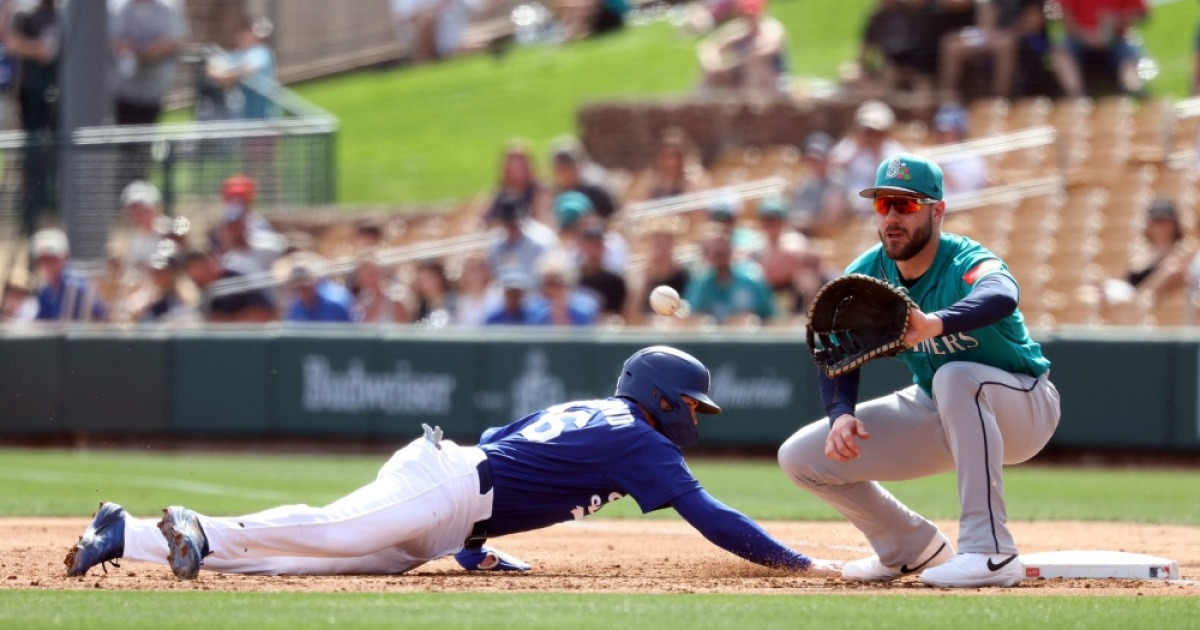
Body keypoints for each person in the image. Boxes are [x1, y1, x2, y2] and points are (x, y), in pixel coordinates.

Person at [64, 346, 840, 580]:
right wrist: (794, 562)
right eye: (691, 405)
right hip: (445, 484)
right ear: (662, 398)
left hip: (451, 504)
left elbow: (507, 439)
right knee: (330, 534)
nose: (693, 419)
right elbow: (710, 513)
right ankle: (197, 521)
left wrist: (469, 549)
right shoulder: (637, 436)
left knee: (300, 567)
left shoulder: (603, 416)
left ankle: (123, 534)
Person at [777, 153, 1060, 588]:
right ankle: (909, 548)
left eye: (906, 205)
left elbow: (1002, 294)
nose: (892, 215)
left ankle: (991, 551)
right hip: (943, 410)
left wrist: (937, 322)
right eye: (883, 204)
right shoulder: (869, 272)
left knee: (956, 376)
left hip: (1024, 404)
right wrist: (841, 413)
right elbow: (836, 349)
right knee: (801, 458)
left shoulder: (964, 258)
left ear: (938, 211)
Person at [111, 0, 190, 183]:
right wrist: (130, 49)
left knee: (144, 146)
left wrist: (144, 53)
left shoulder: (168, 8)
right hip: (124, 92)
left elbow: (175, 41)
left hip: (153, 92)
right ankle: (124, 193)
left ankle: (140, 189)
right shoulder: (120, 8)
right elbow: (113, 40)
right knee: (125, 147)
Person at [7, 0, 57, 236]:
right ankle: (30, 223)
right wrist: (38, 48)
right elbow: (12, 42)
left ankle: (52, 218)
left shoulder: (64, 15)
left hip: (59, 101)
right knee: (32, 162)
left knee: (55, 161)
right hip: (30, 98)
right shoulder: (25, 14)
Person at [1050, 0, 1148, 98]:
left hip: (1116, 39)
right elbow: (1064, 15)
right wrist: (1086, 36)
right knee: (1062, 52)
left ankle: (1132, 87)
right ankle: (1075, 92)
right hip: (1079, 38)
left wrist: (1118, 21)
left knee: (1129, 51)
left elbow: (1140, 14)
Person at [684, 224, 775, 325]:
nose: (719, 257)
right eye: (714, 253)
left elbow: (770, 318)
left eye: (723, 251)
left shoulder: (750, 280)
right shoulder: (701, 284)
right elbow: (692, 317)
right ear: (706, 255)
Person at [830, 100, 907, 216]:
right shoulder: (849, 147)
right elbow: (829, 169)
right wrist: (856, 152)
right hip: (848, 207)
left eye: (875, 131)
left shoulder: (896, 153)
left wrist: (877, 157)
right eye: (867, 131)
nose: (871, 135)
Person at [696, 0, 788, 94]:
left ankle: (753, 105)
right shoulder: (739, 29)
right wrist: (714, 64)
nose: (749, 18)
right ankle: (697, 102)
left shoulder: (772, 29)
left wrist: (729, 64)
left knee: (755, 70)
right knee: (711, 72)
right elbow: (709, 46)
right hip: (740, 75)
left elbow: (759, 54)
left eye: (752, 15)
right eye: (746, 15)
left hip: (774, 80)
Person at [31, 228, 105, 322]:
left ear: (65, 257)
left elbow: (98, 316)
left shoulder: (77, 285)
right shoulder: (45, 292)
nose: (48, 265)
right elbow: (41, 321)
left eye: (52, 259)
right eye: (43, 260)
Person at [788, 132, 851, 237]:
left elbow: (830, 221)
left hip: (820, 237)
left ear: (828, 158)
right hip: (797, 232)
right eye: (811, 159)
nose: (814, 163)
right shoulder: (805, 180)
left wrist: (802, 223)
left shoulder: (837, 183)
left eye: (818, 158)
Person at [929, 103, 987, 199]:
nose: (942, 137)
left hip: (963, 210)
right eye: (940, 133)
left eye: (947, 133)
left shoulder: (971, 157)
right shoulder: (936, 153)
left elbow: (961, 187)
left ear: (960, 133)